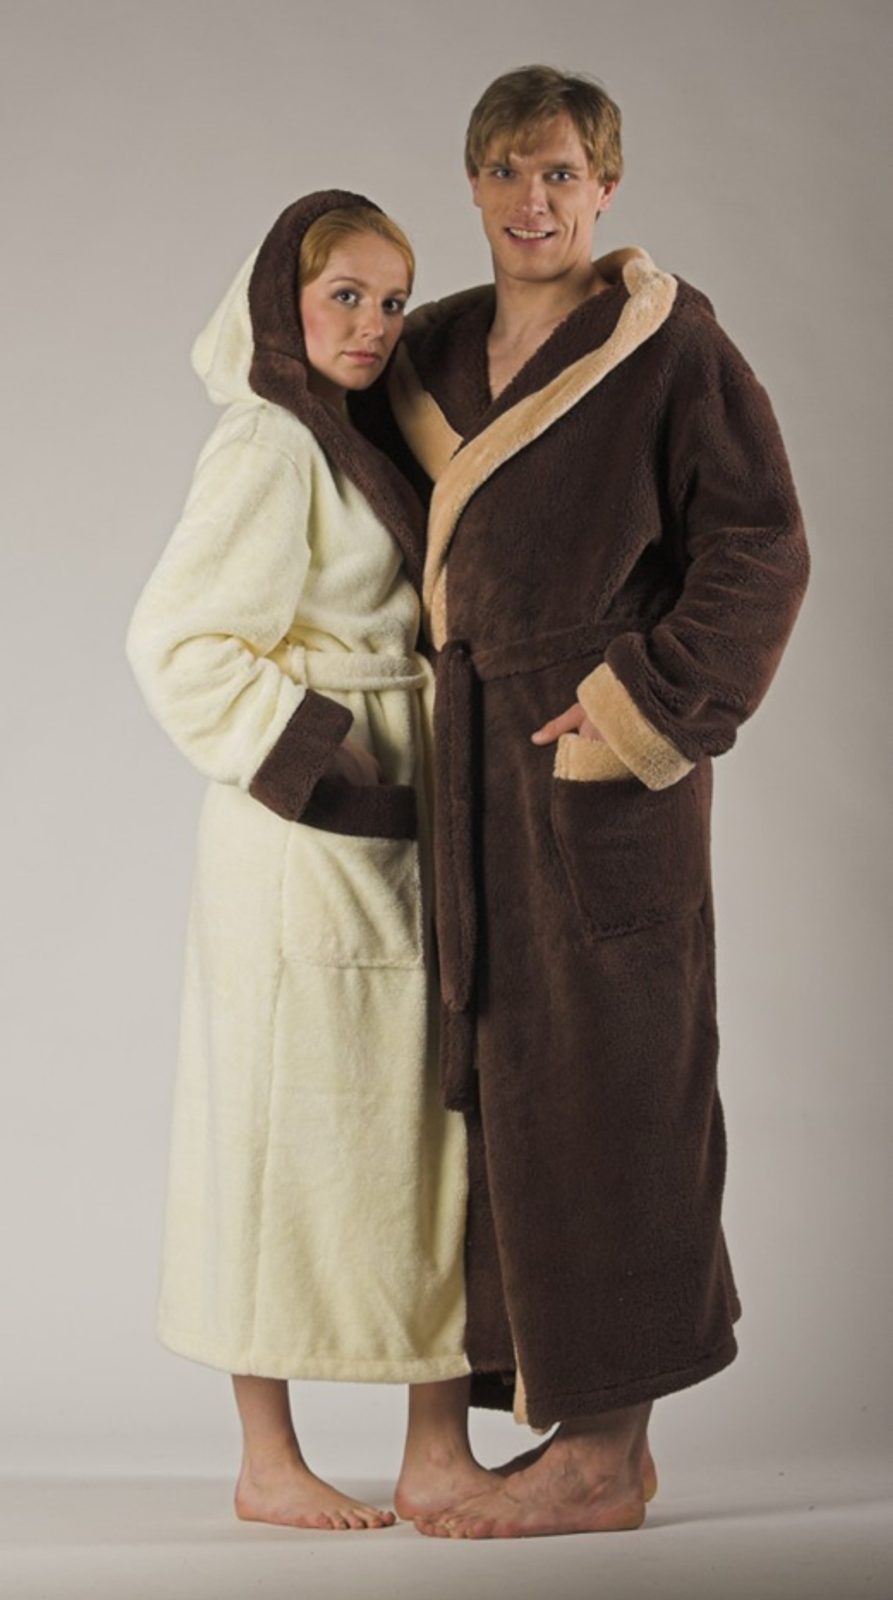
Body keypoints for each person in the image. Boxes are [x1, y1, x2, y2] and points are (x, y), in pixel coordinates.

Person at [350, 66, 811, 1538]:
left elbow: (759, 546)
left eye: (558, 173)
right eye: (503, 171)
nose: (530, 201)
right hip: (465, 766)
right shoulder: (426, 351)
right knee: (499, 1095)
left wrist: (643, 710)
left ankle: (606, 1453)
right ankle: (564, 1430)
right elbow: (304, 398)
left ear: (605, 185)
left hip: (596, 765)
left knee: (616, 1087)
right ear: (471, 184)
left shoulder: (670, 346)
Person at [126, 191, 497, 1532]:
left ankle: (436, 1451)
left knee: (428, 1137)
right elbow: (178, 643)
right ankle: (266, 1459)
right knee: (274, 1133)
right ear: (280, 297)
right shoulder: (269, 441)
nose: (373, 324)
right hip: (303, 846)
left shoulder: (360, 436)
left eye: (391, 300)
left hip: (396, 821)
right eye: (344, 294)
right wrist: (327, 772)